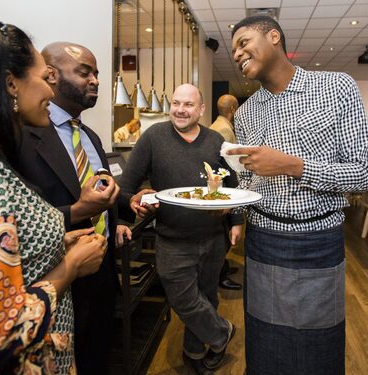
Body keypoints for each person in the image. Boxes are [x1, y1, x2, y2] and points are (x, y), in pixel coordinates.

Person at [228, 15, 368, 375]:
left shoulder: (337, 87)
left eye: (243, 42)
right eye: (233, 50)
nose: (237, 53)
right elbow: (248, 182)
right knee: (265, 343)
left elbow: (362, 175)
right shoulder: (246, 113)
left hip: (318, 240)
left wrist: (294, 166)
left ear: (274, 36)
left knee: (318, 347)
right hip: (262, 239)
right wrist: (226, 204)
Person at [0, 17, 107, 374]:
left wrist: (59, 239)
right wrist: (70, 266)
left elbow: (4, 247)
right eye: (43, 77)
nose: (50, 90)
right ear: (10, 84)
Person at [16, 42, 133, 375]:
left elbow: (103, 191)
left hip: (103, 273)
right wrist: (78, 211)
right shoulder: (22, 136)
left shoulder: (91, 137)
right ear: (51, 75)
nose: (95, 80)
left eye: (96, 73)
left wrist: (127, 204)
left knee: (97, 357)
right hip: (54, 277)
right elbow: (25, 215)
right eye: (85, 72)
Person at [120, 84, 243, 375]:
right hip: (172, 238)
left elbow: (234, 187)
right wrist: (132, 206)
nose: (180, 109)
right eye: (176, 103)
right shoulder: (153, 137)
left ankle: (195, 352)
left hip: (213, 238)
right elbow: (126, 186)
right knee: (183, 299)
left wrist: (236, 222)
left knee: (207, 296)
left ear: (201, 110)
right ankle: (222, 332)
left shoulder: (216, 141)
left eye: (188, 104)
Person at [210, 94, 242, 291]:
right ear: (232, 110)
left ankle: (222, 269)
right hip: (222, 190)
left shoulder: (218, 126)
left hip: (221, 188)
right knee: (222, 235)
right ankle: (220, 275)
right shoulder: (223, 130)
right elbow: (228, 166)